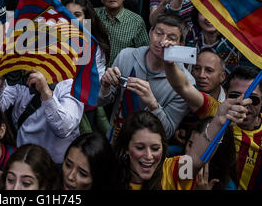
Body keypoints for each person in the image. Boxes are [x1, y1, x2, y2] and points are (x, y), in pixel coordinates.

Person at [162, 52, 262, 190]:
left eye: (253, 99)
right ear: (226, 95)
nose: (244, 103)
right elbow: (183, 87)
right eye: (235, 96)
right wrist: (169, 63)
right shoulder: (217, 112)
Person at [99, 13, 195, 143]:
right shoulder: (126, 56)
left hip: (148, 154)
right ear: (150, 32)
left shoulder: (186, 83)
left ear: (181, 44)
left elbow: (167, 132)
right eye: (159, 33)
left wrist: (152, 104)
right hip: (115, 141)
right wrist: (105, 86)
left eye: (171, 38)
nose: (162, 41)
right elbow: (101, 101)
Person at [111, 101, 246, 190]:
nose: (149, 156)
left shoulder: (171, 171)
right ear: (126, 148)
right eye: (140, 148)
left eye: (155, 148)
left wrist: (218, 121)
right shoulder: (107, 175)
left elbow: (196, 157)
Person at [0, 69, 84, 165]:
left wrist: (45, 92)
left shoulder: (70, 84)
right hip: (23, 156)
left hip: (52, 164)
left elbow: (64, 129)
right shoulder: (23, 72)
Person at [64, 0, 110, 135]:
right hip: (61, 107)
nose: (71, 20)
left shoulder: (95, 45)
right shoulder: (53, 40)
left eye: (77, 15)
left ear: (86, 18)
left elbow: (99, 85)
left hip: (86, 107)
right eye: (67, 15)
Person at [95, 0, 149, 66]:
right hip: (95, 72)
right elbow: (83, 47)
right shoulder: (91, 15)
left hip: (123, 74)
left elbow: (144, 53)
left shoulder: (136, 21)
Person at [185, 9, 252, 74]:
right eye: (204, 12)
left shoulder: (238, 42)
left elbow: (248, 72)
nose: (210, 17)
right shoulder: (189, 38)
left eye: (215, 12)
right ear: (197, 17)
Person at [183, 118, 238, 190]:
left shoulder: (228, 187)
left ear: (217, 156)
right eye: (190, 145)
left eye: (201, 150)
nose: (191, 153)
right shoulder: (171, 157)